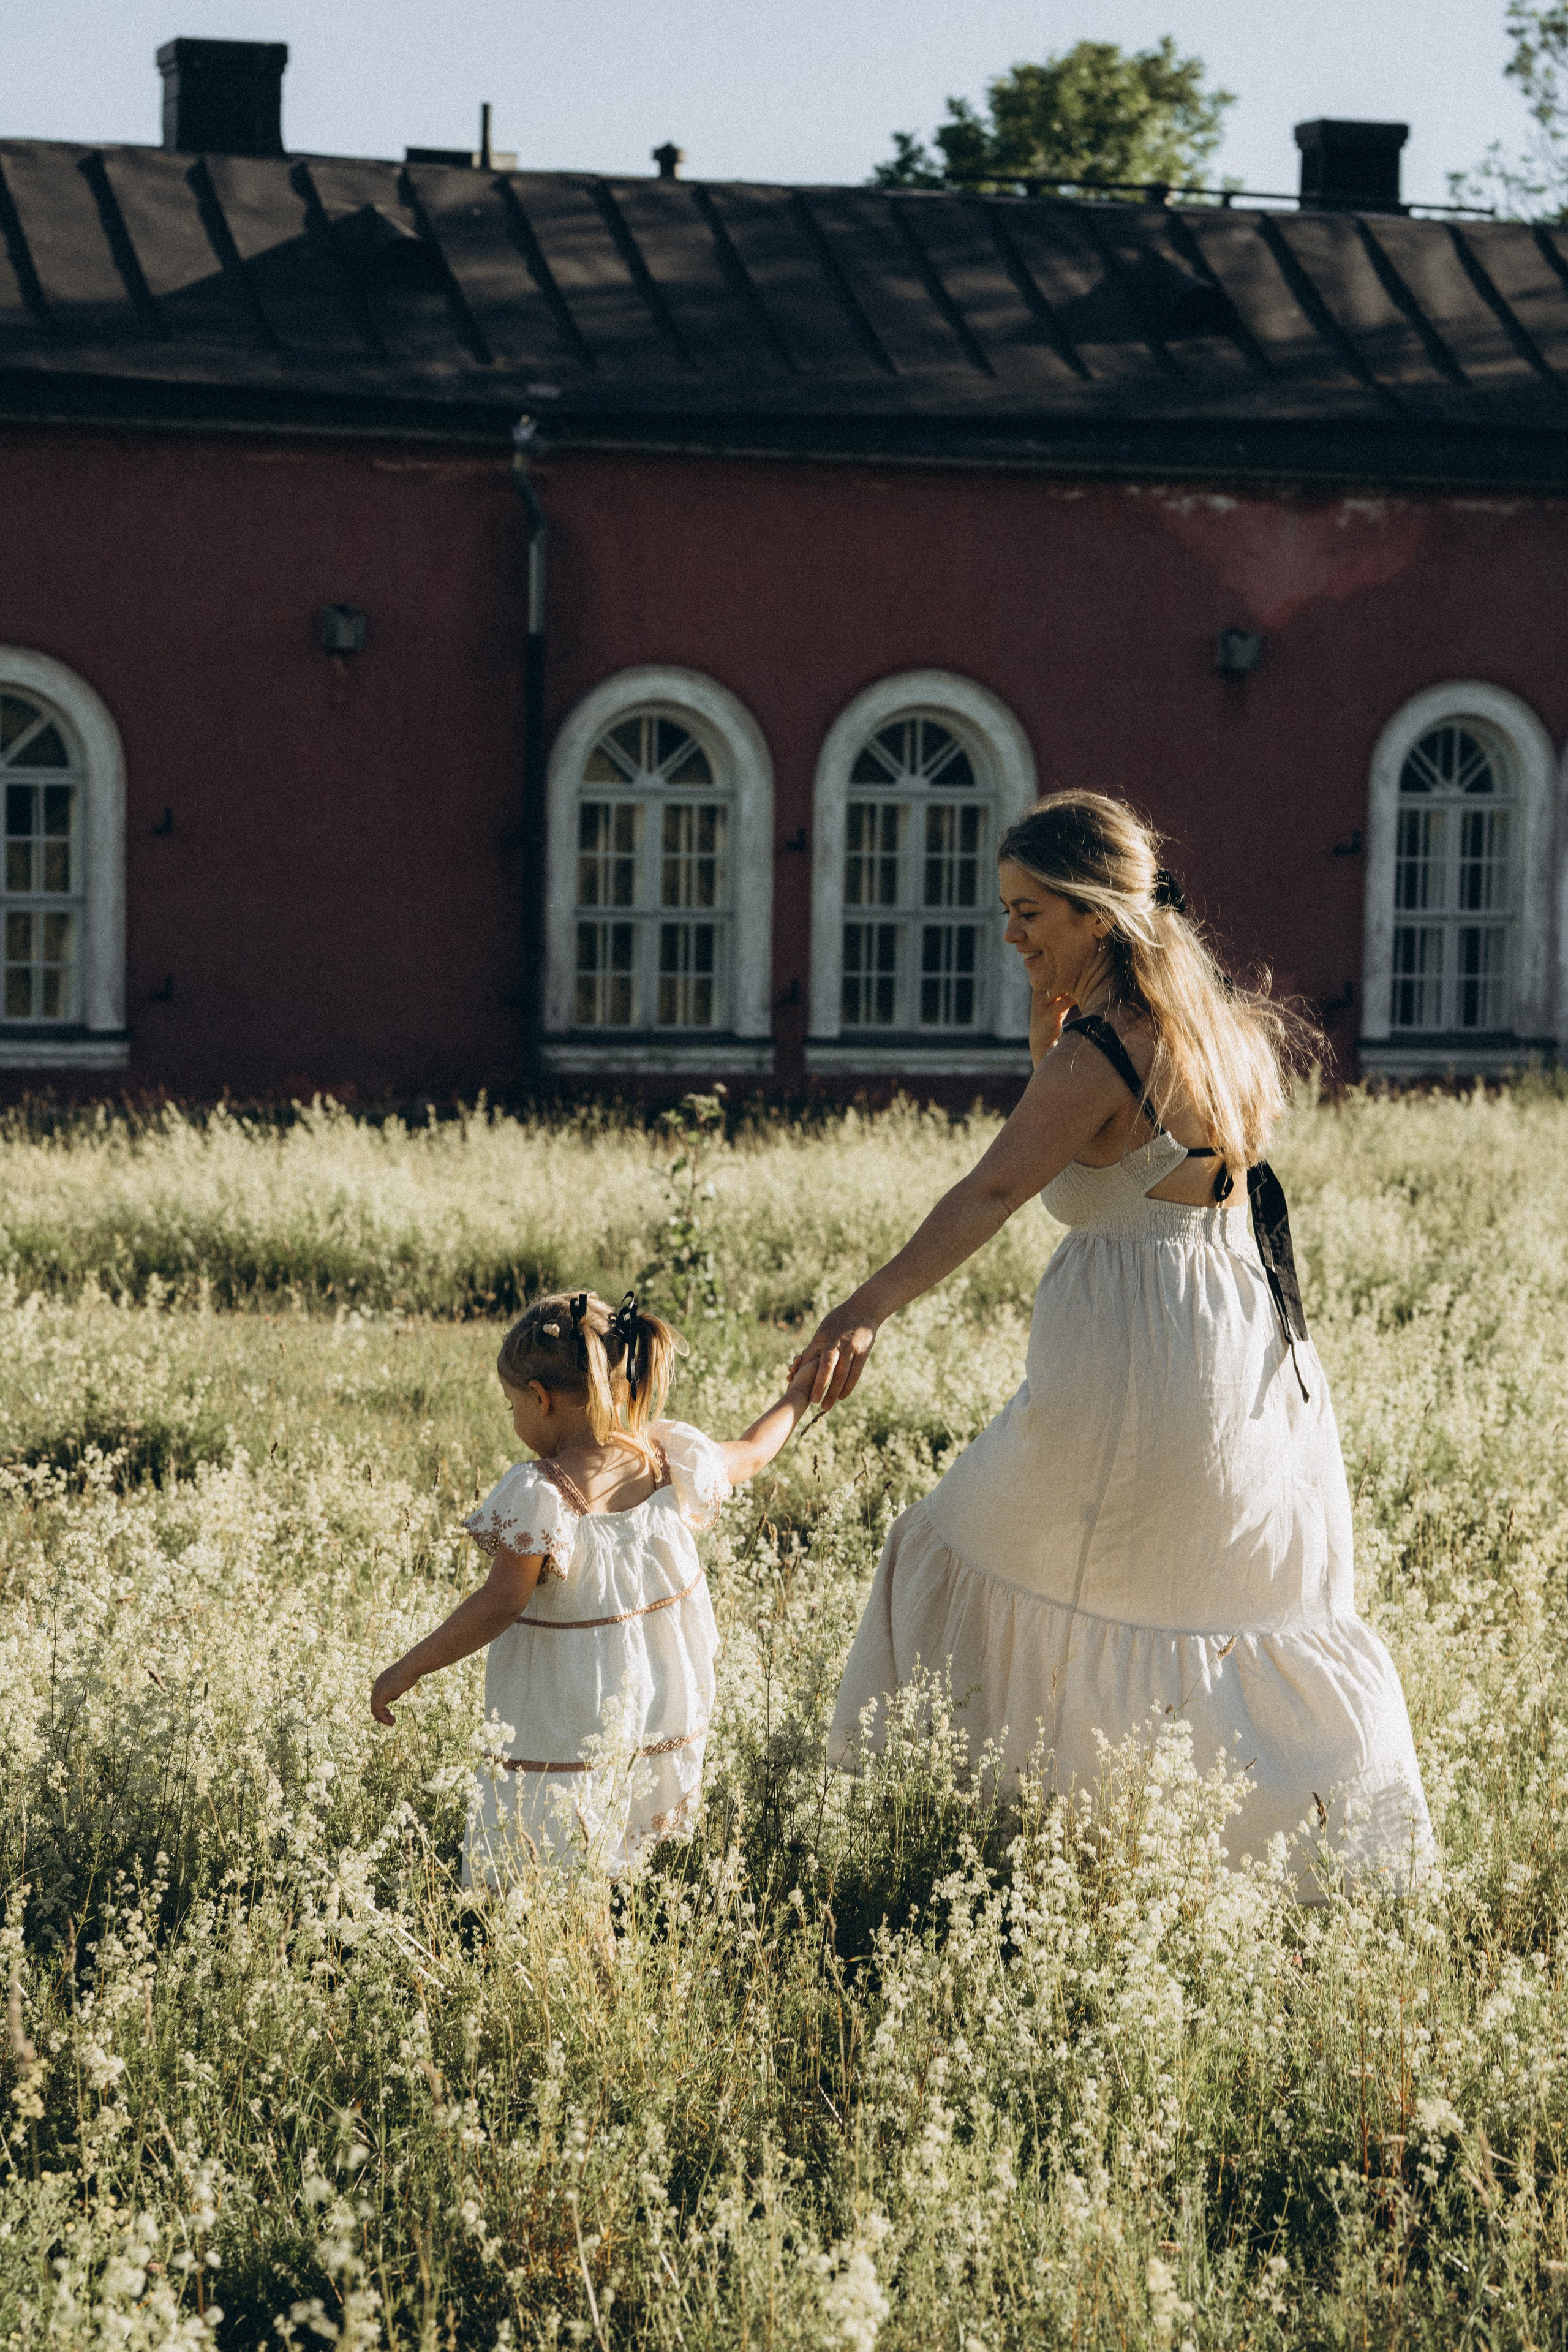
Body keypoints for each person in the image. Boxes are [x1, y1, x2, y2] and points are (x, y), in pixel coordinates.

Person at [796, 790, 1433, 1893]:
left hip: (1136, 1359)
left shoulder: (1099, 1053)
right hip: (1239, 1341)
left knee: (958, 1544)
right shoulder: (1217, 1029)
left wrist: (865, 1307)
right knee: (1206, 1594)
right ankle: (1281, 1856)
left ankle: (1009, 1829)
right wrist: (1050, 1022)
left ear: (1095, 913)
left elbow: (994, 1189)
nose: (1010, 934)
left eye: (1030, 911)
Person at [371, 1288, 814, 1880]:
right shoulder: (669, 1457)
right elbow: (755, 1453)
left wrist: (409, 1667)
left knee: (559, 1839)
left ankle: (578, 1933)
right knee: (613, 1831)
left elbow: (501, 1602)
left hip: (571, 1709)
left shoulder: (543, 1494)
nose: (513, 1419)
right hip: (653, 1701)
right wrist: (800, 1391)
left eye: (511, 1405)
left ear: (540, 1398)